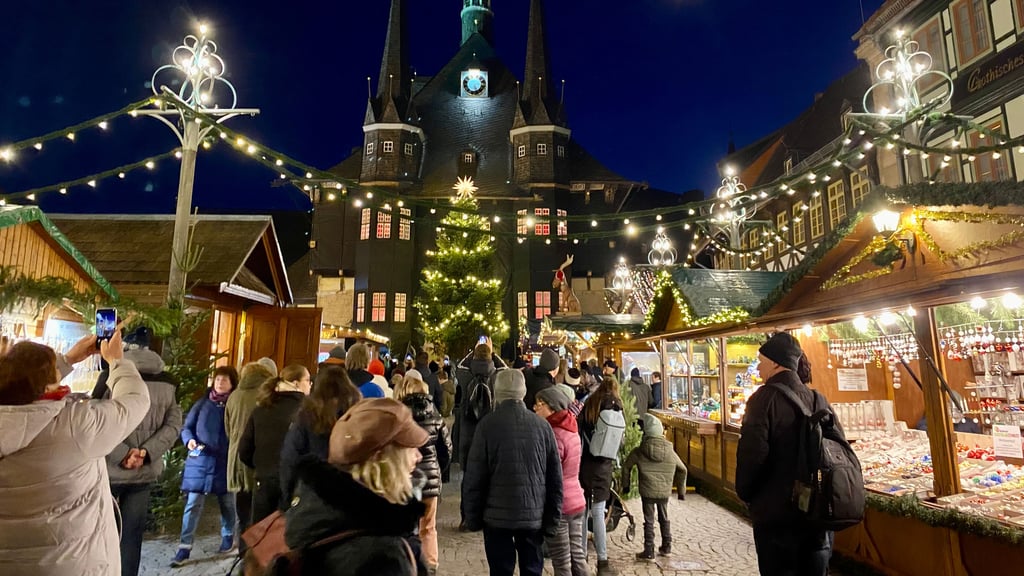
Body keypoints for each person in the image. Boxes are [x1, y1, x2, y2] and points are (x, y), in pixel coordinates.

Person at [0, 330, 150, 576]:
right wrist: (116, 361)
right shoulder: (74, 425)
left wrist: (67, 360)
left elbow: (25, 385)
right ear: (50, 382)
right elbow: (134, 400)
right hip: (74, 564)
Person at [283, 399, 428, 575]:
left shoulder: (313, 512)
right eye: (409, 448)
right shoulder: (383, 555)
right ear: (380, 457)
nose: (418, 456)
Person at [736, 333, 834, 576]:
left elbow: (752, 456)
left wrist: (747, 494)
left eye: (761, 360)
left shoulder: (763, 400)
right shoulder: (818, 399)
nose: (758, 366)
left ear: (776, 363)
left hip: (777, 516)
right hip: (816, 517)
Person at [462, 369, 563, 576]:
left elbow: (474, 477)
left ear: (496, 393)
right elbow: (555, 479)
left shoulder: (487, 426)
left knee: (500, 570)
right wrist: (552, 520)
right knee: (533, 570)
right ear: (523, 393)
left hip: (496, 518)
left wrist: (472, 517)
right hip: (533, 516)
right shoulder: (542, 427)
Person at [100, 345, 183, 576]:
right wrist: (146, 454)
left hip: (110, 471)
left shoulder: (112, 377)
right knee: (132, 535)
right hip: (143, 473)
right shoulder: (168, 384)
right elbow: (174, 425)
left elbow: (98, 422)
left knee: (101, 534)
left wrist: (123, 454)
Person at [172, 366, 239, 567]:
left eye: (225, 380)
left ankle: (228, 535)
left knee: (227, 503)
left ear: (232, 384)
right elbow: (187, 428)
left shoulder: (233, 406)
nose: (220, 383)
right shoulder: (202, 404)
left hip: (224, 462)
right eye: (218, 379)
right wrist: (189, 440)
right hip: (200, 461)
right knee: (192, 504)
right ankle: (184, 546)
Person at [238, 364, 310, 526]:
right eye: (307, 380)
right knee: (290, 536)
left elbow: (244, 450)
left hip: (264, 481)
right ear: (296, 383)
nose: (310, 385)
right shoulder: (307, 410)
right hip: (296, 483)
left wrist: (261, 467)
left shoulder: (261, 408)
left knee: (262, 534)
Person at [396, 373, 453, 575]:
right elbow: (446, 449)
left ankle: (407, 564)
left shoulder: (398, 416)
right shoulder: (436, 417)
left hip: (404, 479)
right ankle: (430, 565)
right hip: (430, 479)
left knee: (403, 527)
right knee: (428, 527)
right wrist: (438, 470)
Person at [280, 365, 362, 502]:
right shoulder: (357, 414)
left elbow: (290, 458)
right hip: (350, 494)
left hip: (312, 493)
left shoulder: (306, 416)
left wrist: (288, 496)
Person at [534, 388, 588, 576]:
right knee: (577, 556)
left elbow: (550, 473)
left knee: (562, 562)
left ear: (551, 408)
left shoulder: (554, 434)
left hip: (561, 505)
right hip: (576, 500)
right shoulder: (570, 428)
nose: (535, 408)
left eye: (540, 404)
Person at [622, 413, 687, 561]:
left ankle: (649, 550)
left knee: (649, 520)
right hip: (664, 492)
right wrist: (681, 491)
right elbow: (683, 469)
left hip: (647, 491)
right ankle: (666, 546)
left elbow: (626, 467)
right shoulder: (670, 452)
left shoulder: (639, 451)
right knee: (664, 517)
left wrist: (626, 487)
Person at [225, 361, 274, 552]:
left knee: (242, 511)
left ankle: (242, 551)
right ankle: (256, 556)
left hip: (235, 459)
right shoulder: (266, 396)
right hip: (257, 460)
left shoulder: (235, 396)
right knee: (259, 512)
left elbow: (228, 428)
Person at [578, 376, 624, 575]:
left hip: (586, 464)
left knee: (582, 512)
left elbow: (578, 431)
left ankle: (581, 557)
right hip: (604, 466)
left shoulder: (590, 404)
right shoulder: (618, 406)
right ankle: (603, 560)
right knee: (598, 512)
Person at [453, 341, 506, 467]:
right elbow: (505, 368)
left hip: (468, 421)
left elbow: (459, 366)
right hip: (490, 420)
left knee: (468, 465)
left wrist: (474, 351)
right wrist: (492, 352)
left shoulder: (465, 374)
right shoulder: (496, 374)